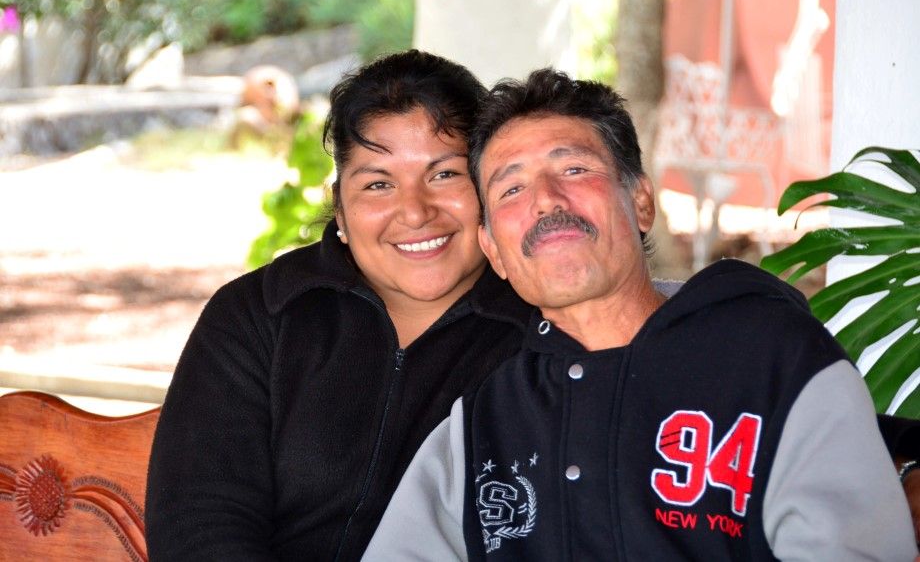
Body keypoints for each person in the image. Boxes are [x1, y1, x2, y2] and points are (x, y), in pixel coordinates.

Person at [363, 69, 918, 560]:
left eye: (574, 168)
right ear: (495, 251)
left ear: (642, 203)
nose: (546, 199)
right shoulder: (482, 425)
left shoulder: (774, 357)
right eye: (510, 188)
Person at [145, 50, 534, 560]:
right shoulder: (260, 315)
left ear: (487, 185)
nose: (415, 212)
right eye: (378, 183)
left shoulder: (542, 331)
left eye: (444, 174)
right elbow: (198, 526)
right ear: (341, 209)